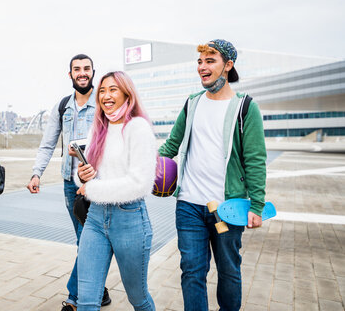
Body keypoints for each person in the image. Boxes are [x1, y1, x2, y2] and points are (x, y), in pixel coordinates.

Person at [158, 39, 267, 311]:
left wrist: (256, 205)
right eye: (199, 61)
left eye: (210, 60)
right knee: (192, 272)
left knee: (229, 271)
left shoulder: (245, 107)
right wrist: (143, 164)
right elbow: (172, 144)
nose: (202, 67)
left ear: (228, 66)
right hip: (189, 205)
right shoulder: (193, 103)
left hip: (227, 207)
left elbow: (255, 159)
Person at [27, 54, 111, 310]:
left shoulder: (104, 102)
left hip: (98, 183)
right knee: (82, 240)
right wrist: (36, 173)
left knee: (90, 241)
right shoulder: (62, 106)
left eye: (86, 69)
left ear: (93, 72)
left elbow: (115, 140)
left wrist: (87, 148)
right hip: (69, 184)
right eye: (77, 69)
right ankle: (99, 289)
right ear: (70, 74)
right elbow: (48, 143)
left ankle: (75, 298)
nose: (82, 73)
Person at [76, 71, 156, 311]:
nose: (106, 95)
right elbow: (88, 175)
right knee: (87, 301)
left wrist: (92, 188)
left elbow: (140, 183)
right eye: (102, 90)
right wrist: (83, 175)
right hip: (95, 220)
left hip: (130, 219)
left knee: (138, 298)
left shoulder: (138, 127)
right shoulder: (97, 129)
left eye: (113, 89)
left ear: (126, 93)